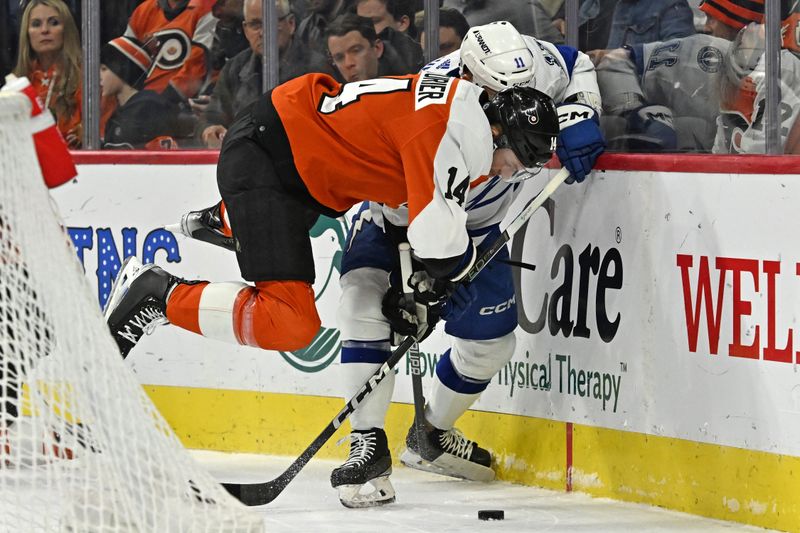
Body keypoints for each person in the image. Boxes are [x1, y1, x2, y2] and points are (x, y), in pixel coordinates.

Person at [328, 21, 605, 507]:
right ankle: (366, 443)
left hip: (480, 225)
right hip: (402, 216)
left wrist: (582, 111)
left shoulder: (527, 64)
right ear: (469, 75)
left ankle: (431, 432)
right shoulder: (438, 100)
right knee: (363, 305)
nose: (515, 101)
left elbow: (575, 64)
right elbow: (415, 210)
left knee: (492, 344)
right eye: (501, 93)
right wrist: (423, 277)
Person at [593, 0, 764, 152]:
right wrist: (635, 116)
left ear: (737, 23)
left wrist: (634, 114)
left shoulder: (699, 49)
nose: (706, 27)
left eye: (712, 18)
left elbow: (614, 60)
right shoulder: (700, 50)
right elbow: (616, 60)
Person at [199, 0, 332, 148]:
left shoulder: (316, 70)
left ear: (291, 24)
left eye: (271, 22)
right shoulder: (234, 68)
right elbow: (211, 116)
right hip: (246, 159)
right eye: (255, 25)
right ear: (245, 29)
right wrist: (210, 130)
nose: (263, 32)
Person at [12, 0, 82, 148]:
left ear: (66, 30)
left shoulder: (85, 78)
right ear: (27, 33)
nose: (44, 30)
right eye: (36, 24)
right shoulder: (16, 84)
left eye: (54, 22)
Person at [124, 0, 217, 105]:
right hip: (140, 100)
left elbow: (197, 67)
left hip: (184, 105)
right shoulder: (143, 10)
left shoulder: (209, 9)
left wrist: (162, 101)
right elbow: (124, 59)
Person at [100, 36, 183, 150]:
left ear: (122, 69)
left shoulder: (149, 109)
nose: (99, 76)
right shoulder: (118, 112)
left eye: (104, 69)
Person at [326, 13, 416, 82]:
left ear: (377, 48)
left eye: (356, 51)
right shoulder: (330, 88)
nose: (348, 63)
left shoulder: (408, 80)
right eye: (339, 58)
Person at [355, 0, 423, 72]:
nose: (360, 32)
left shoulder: (423, 67)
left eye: (373, 21)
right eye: (358, 24)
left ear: (402, 23)